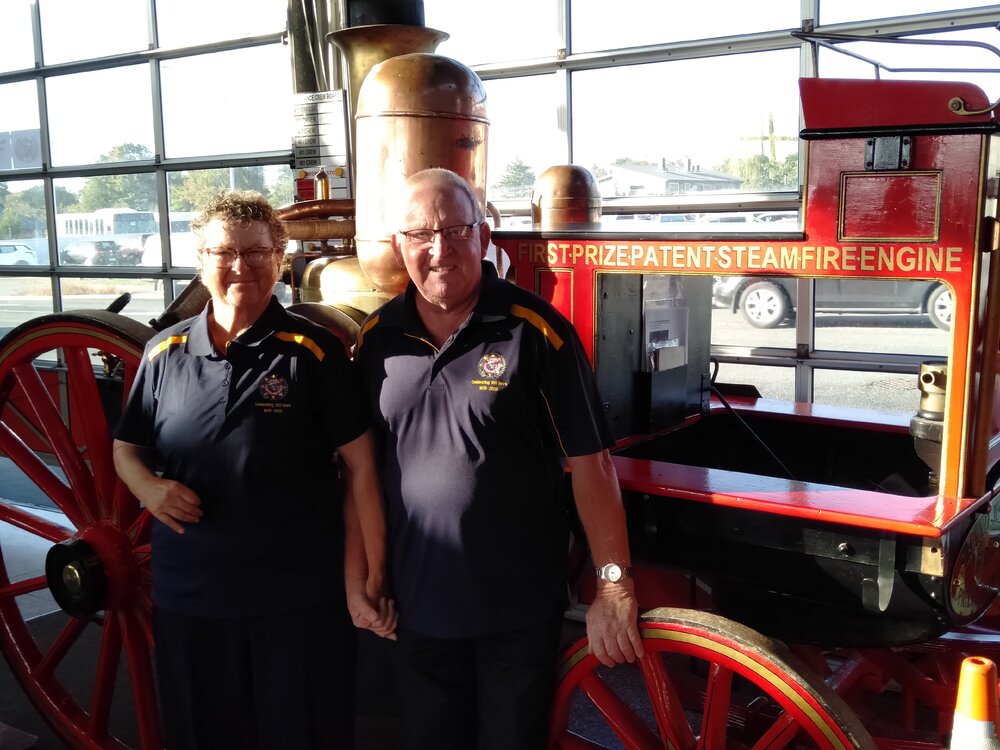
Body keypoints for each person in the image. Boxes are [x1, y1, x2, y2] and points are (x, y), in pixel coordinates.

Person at [354, 168, 643, 750]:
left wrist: (613, 585)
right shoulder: (376, 340)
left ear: (486, 238)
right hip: (417, 609)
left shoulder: (537, 333)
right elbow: (362, 473)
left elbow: (592, 464)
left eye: (456, 230)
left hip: (514, 614)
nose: (439, 250)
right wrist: (364, 575)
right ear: (398, 246)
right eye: (421, 235)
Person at [112, 190, 395, 750]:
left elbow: (363, 469)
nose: (240, 265)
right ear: (201, 261)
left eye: (257, 252)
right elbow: (127, 449)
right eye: (223, 252)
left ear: (280, 259)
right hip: (190, 597)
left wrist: (370, 579)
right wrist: (148, 488)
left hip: (294, 600)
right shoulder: (164, 353)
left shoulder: (313, 352)